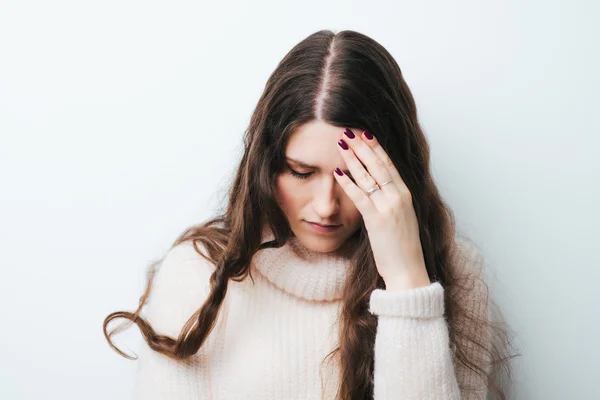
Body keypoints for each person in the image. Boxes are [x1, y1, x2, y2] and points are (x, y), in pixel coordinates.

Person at [103, 29, 517, 400]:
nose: (325, 206)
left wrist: (408, 282)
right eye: (301, 173)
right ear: (266, 166)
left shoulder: (453, 271)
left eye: (353, 177)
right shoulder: (196, 273)